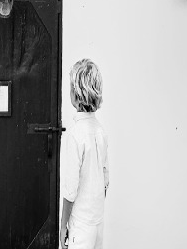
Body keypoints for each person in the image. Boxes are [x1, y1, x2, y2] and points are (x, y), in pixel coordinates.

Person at [60, 59, 109, 249]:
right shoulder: (100, 131)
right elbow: (105, 179)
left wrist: (64, 225)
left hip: (80, 224)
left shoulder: (75, 134)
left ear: (77, 93)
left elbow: (70, 189)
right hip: (97, 220)